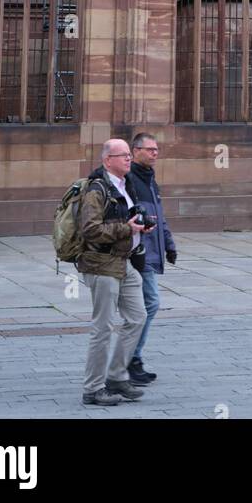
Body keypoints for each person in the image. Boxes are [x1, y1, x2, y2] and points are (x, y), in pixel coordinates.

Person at [77, 139, 151, 407]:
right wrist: (127, 229)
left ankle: (117, 376)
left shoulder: (125, 184)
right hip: (101, 264)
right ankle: (93, 388)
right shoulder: (97, 189)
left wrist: (141, 227)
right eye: (123, 156)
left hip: (125, 262)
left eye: (130, 155)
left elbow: (127, 219)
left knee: (137, 317)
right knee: (103, 327)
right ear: (108, 160)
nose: (129, 159)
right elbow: (90, 230)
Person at [126, 133, 177, 385]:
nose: (155, 153)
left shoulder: (149, 179)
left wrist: (169, 244)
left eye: (157, 149)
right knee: (150, 303)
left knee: (143, 306)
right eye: (150, 149)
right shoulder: (130, 180)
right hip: (139, 253)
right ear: (135, 151)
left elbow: (159, 215)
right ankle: (130, 358)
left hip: (151, 251)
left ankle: (130, 358)